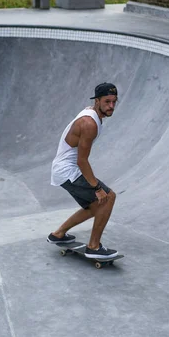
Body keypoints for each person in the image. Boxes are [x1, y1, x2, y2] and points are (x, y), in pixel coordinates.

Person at [47, 82, 118, 259]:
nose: (111, 106)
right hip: (68, 170)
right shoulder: (89, 123)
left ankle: (58, 234)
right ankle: (93, 247)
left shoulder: (92, 113)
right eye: (107, 101)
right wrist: (97, 189)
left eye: (114, 102)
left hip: (63, 170)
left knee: (95, 207)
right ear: (97, 101)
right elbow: (82, 160)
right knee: (108, 198)